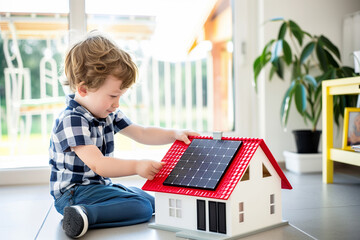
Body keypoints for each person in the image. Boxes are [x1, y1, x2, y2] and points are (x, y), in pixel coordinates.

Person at [49, 32, 199, 238]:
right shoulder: (72, 119)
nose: (117, 104)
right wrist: (137, 166)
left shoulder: (106, 112)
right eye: (113, 96)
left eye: (120, 96)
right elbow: (98, 165)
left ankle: (90, 210)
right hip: (73, 194)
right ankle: (82, 214)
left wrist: (174, 134)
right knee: (141, 208)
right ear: (83, 89)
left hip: (98, 186)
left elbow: (141, 132)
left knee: (151, 202)